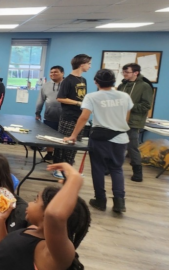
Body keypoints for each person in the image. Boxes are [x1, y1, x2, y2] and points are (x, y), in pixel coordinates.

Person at [64, 69, 133, 214]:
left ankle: (100, 200)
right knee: (117, 168)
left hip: (100, 138)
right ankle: (119, 202)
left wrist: (73, 135)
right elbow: (127, 117)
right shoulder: (125, 96)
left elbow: (83, 117)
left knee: (98, 169)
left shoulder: (92, 96)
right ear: (114, 81)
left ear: (96, 82)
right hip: (121, 138)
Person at [55, 54, 91, 177]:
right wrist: (78, 103)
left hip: (79, 117)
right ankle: (59, 169)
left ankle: (69, 169)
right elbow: (60, 98)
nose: (90, 66)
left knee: (74, 145)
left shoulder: (83, 80)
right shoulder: (68, 80)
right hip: (68, 117)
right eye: (89, 64)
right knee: (65, 144)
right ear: (82, 64)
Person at [117, 62, 154, 182]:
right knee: (115, 145)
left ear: (136, 73)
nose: (124, 74)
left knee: (132, 147)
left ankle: (138, 172)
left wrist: (129, 106)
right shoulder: (122, 85)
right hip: (118, 120)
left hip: (133, 122)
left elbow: (146, 106)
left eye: (127, 72)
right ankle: (111, 167)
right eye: (123, 72)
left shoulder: (144, 86)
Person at [35, 65, 65, 162]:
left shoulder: (67, 84)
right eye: (51, 72)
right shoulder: (45, 86)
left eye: (56, 72)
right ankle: (49, 153)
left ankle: (60, 156)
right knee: (50, 137)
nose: (53, 74)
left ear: (62, 73)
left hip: (65, 117)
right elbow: (40, 101)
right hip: (50, 115)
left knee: (62, 137)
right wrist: (37, 113)